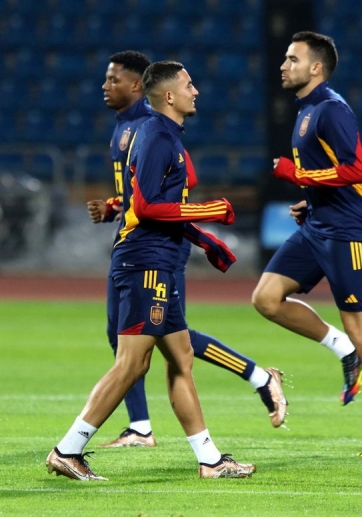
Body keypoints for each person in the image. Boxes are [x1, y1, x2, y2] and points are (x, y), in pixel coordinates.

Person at [47, 61, 257, 481]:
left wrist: (205, 241)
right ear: (169, 96)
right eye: (189, 84)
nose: (196, 91)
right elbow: (146, 208)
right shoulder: (158, 135)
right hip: (147, 262)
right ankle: (67, 450)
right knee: (132, 364)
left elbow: (155, 204)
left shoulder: (162, 134)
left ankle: (210, 460)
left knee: (181, 358)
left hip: (158, 261)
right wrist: (210, 212)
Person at [86, 51, 286, 448]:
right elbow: (142, 196)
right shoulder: (130, 127)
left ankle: (108, 436)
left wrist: (203, 231)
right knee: (154, 340)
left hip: (156, 249)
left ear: (138, 85)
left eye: (113, 79)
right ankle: (170, 436)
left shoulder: (152, 129)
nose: (106, 86)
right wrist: (116, 206)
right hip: (138, 241)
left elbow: (174, 189)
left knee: (158, 344)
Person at [252, 31, 362, 456]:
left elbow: (356, 170)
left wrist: (298, 176)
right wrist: (310, 201)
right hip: (319, 224)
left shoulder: (331, 109)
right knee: (266, 298)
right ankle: (343, 350)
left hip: (350, 231)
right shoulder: (306, 110)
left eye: (293, 59)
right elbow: (331, 172)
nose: (283, 65)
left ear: (316, 67)